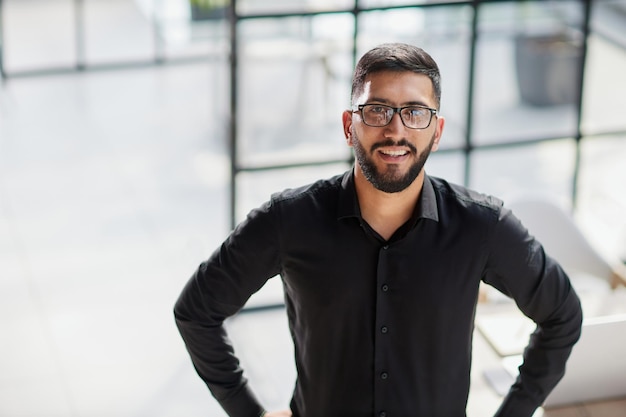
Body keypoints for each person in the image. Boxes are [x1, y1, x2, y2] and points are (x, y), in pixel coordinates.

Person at [174, 43, 583, 417]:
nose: (396, 130)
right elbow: (196, 310)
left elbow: (562, 314)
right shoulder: (289, 220)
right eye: (377, 110)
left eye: (415, 112)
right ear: (349, 125)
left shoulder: (481, 227)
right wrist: (248, 411)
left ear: (436, 132)